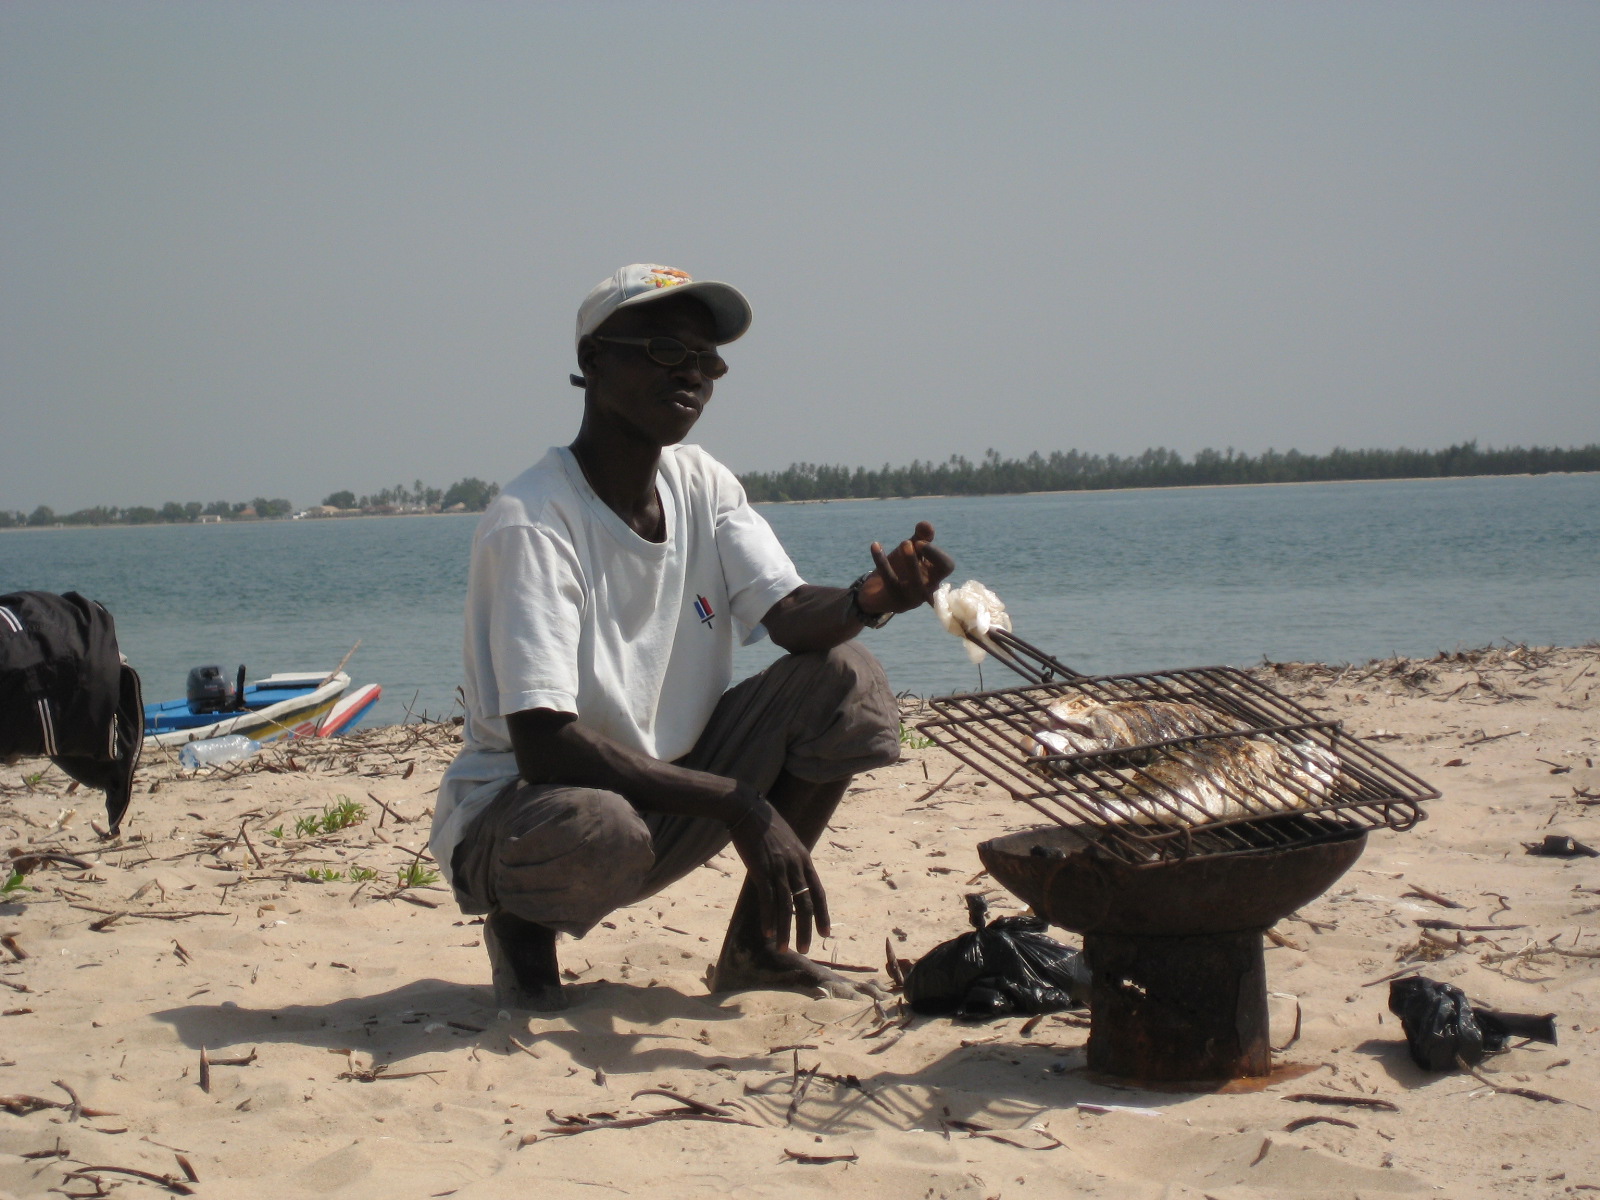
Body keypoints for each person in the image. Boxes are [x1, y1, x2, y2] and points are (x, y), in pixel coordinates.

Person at [429, 263, 954, 1010]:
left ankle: (757, 952)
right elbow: (544, 744)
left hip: (660, 796)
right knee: (599, 823)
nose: (694, 377)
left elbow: (791, 613)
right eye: (665, 352)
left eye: (707, 361)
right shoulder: (535, 520)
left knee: (848, 679)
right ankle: (520, 933)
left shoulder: (702, 483)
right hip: (528, 816)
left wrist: (871, 599)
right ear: (592, 361)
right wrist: (740, 802)